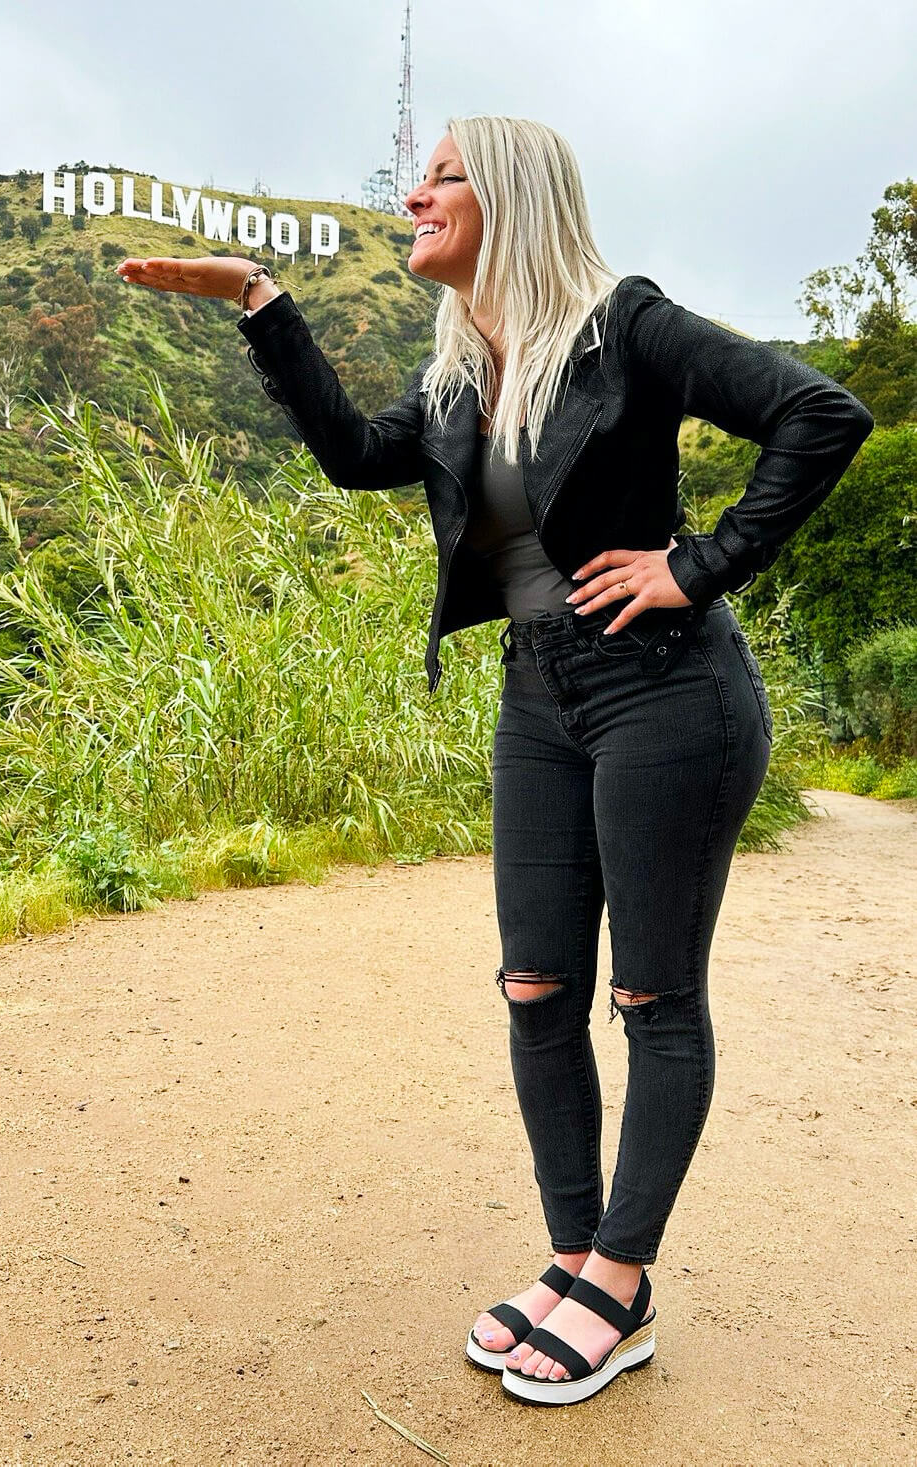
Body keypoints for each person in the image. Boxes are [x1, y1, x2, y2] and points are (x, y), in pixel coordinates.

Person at [115, 115, 874, 1406]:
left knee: (650, 999)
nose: (413, 193)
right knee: (535, 985)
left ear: (512, 197)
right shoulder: (466, 370)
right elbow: (360, 459)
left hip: (668, 693)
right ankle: (572, 1257)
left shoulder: (626, 327)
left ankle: (622, 1285)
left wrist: (696, 566)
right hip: (539, 695)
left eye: (444, 176)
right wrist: (258, 302)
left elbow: (820, 411)